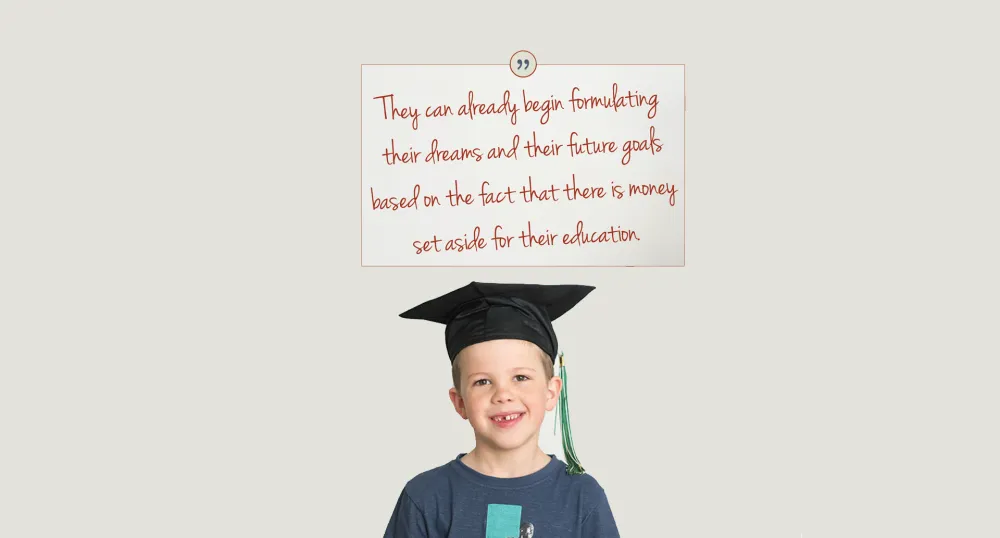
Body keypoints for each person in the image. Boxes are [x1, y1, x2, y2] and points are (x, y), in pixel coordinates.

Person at [383, 282, 620, 538]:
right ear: (459, 402)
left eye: (520, 377)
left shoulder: (582, 497)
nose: (503, 395)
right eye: (482, 382)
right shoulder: (425, 497)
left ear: (551, 392)